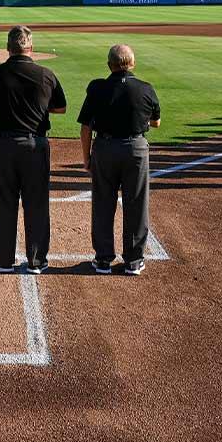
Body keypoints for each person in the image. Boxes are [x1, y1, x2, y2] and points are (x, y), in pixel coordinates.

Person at [0, 25, 67, 273]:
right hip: (35, 144)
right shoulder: (46, 74)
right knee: (36, 203)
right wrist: (37, 107)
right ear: (31, 48)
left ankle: (5, 261)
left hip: (4, 145)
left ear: (8, 48)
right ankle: (37, 261)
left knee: (4, 202)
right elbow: (60, 108)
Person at [78, 43, 161, 274]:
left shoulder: (97, 88)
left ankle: (103, 259)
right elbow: (156, 122)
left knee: (103, 203)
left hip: (104, 149)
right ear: (132, 63)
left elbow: (85, 128)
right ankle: (134, 260)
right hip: (136, 150)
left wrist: (87, 159)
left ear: (109, 65)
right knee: (136, 203)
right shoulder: (146, 88)